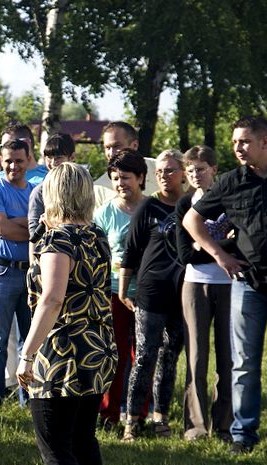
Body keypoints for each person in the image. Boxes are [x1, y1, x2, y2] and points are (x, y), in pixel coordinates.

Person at [183, 116, 267, 453]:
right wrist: (220, 255)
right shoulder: (231, 182)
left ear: (265, 142)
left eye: (244, 141)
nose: (237, 147)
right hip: (247, 284)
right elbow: (192, 219)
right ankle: (242, 435)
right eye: (235, 142)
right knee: (244, 363)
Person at [16, 162, 116, 465]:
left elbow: (52, 299)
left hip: (63, 353)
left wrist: (26, 354)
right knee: (83, 440)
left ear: (53, 194)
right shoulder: (96, 235)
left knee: (57, 446)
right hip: (97, 348)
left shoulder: (59, 240)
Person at [119, 149, 186, 441]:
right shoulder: (148, 207)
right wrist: (123, 290)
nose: (163, 176)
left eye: (170, 170)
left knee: (170, 356)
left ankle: (161, 417)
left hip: (183, 292)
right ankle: (132, 421)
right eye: (159, 171)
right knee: (145, 356)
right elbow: (130, 251)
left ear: (183, 172)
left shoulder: (191, 206)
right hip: (151, 291)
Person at [175, 145, 233, 442]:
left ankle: (225, 426)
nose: (196, 175)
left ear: (214, 169)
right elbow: (185, 254)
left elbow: (239, 247)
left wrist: (203, 244)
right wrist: (220, 245)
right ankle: (196, 426)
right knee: (196, 356)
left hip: (229, 283)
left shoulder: (229, 201)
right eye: (190, 170)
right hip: (194, 284)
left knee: (227, 357)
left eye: (201, 169)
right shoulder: (185, 204)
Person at [93, 150, 149, 430]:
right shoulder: (104, 214)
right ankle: (109, 414)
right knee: (114, 355)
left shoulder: (153, 208)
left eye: (125, 177)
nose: (119, 184)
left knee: (144, 355)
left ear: (140, 178)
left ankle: (140, 414)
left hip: (147, 294)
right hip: (114, 293)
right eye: (115, 179)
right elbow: (97, 254)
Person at [0, 139, 34, 409]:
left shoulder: (36, 192)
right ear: (1, 160)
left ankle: (28, 398)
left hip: (31, 273)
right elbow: (1, 228)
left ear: (28, 160)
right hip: (2, 270)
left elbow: (44, 230)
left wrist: (17, 223)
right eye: (8, 160)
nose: (14, 166)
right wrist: (28, 225)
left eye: (19, 160)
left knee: (29, 340)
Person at [93, 121, 157, 208]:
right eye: (107, 148)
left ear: (135, 145)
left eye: (116, 146)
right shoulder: (99, 187)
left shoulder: (159, 170)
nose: (111, 153)